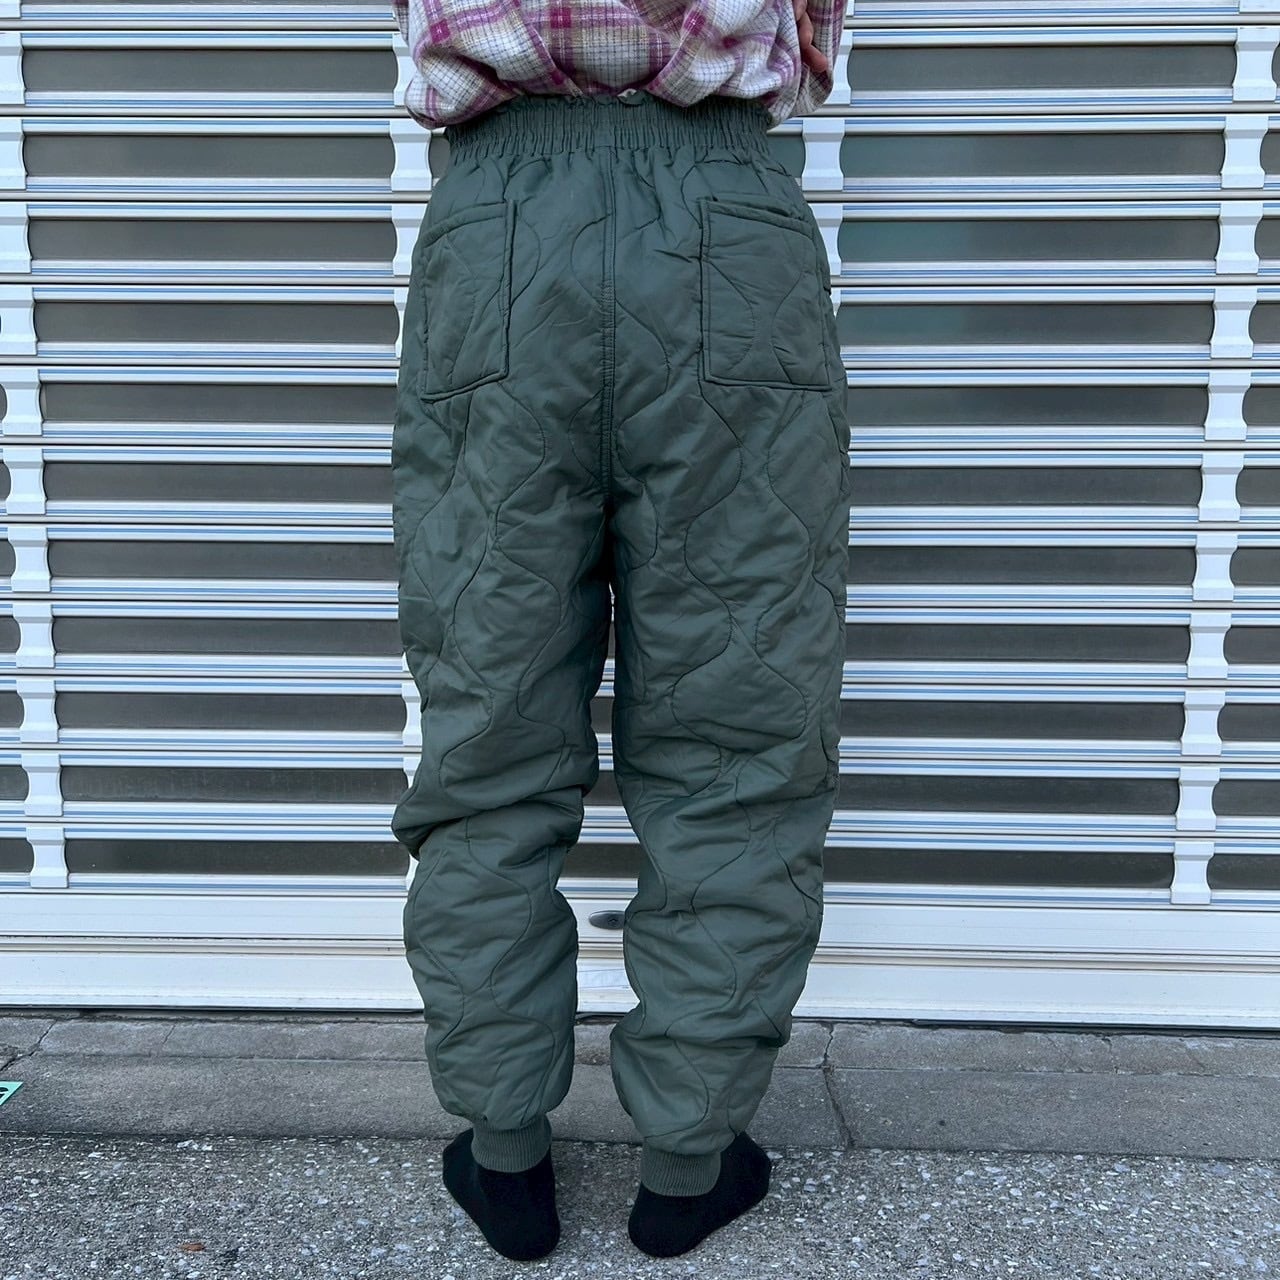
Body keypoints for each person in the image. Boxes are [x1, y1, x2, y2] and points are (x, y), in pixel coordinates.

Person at [389, 0, 853, 1262]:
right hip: (727, 216)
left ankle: (503, 1152)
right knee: (739, 729)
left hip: (497, 226)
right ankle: (688, 1161)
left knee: (489, 727)